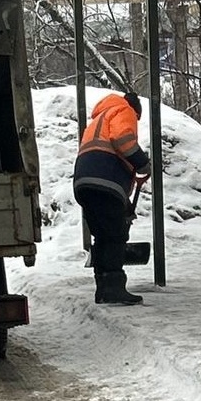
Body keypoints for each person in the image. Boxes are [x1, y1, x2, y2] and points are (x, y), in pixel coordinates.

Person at [73, 91, 151, 305]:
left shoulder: (99, 118)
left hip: (84, 181)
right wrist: (142, 162)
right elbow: (122, 138)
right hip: (104, 177)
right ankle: (114, 288)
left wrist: (125, 203)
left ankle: (103, 288)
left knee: (103, 235)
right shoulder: (124, 110)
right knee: (116, 236)